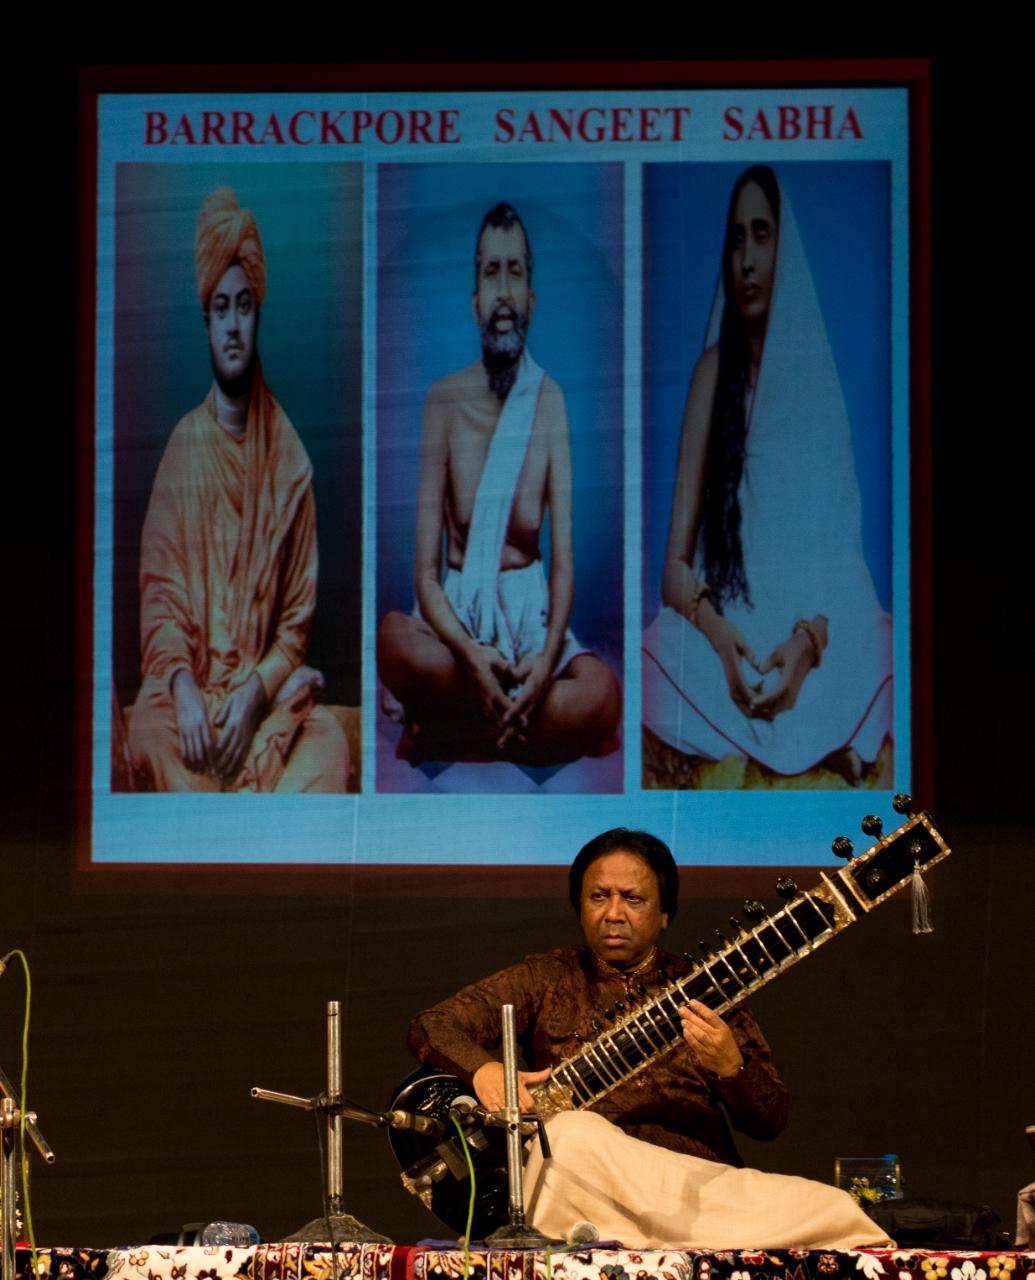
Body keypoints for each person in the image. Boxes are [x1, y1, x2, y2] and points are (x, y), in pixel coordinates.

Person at [408, 828, 889, 1248]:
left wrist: (732, 1068)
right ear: (580, 908)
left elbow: (770, 1119)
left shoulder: (709, 989)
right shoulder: (547, 977)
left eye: (633, 899)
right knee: (571, 1135)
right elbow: (434, 1025)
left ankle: (644, 1239)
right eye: (599, 897)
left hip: (694, 1195)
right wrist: (486, 1070)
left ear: (664, 915)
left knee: (828, 1208)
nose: (614, 913)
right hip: (585, 1187)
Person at [642, 166, 893, 783]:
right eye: (735, 240)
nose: (747, 259)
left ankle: (805, 712)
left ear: (786, 249)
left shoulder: (816, 384)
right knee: (650, 658)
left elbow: (842, 571)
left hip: (805, 634)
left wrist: (806, 648)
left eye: (761, 235)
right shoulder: (710, 376)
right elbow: (675, 569)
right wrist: (721, 639)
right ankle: (790, 719)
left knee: (886, 643)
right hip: (725, 630)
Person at [378, 202, 620, 765]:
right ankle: (510, 722)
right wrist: (467, 655)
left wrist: (544, 665)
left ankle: (462, 729)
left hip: (531, 627)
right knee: (391, 639)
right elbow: (425, 575)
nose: (504, 291)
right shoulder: (442, 401)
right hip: (457, 624)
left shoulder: (550, 400)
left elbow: (563, 568)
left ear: (532, 299)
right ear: (474, 303)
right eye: (491, 273)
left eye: (516, 272)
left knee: (604, 698)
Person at [127, 187, 348, 793]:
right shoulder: (182, 449)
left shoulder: (292, 460)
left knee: (327, 743)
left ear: (258, 314)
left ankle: (240, 818)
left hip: (260, 702)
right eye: (220, 308)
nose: (232, 325)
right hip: (191, 706)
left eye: (243, 306)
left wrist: (254, 695)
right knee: (149, 733)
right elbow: (161, 603)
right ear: (205, 321)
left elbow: (294, 626)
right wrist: (186, 689)